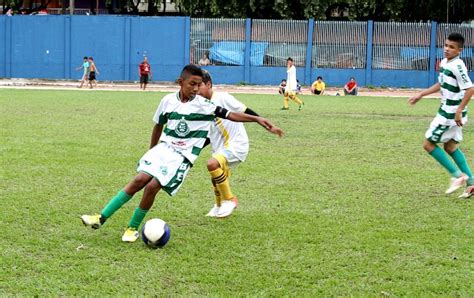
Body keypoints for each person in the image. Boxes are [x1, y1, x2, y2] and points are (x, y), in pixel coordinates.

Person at [81, 64, 284, 242]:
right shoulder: (167, 101)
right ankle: (100, 218)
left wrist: (257, 119)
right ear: (181, 82)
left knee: (151, 187)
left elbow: (231, 115)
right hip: (163, 149)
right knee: (139, 180)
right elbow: (158, 126)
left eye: (199, 85)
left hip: (182, 156)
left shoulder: (205, 105)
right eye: (192, 84)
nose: (196, 89)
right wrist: (152, 151)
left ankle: (132, 228)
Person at [408, 32, 474, 198]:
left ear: (459, 50)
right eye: (446, 45)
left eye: (451, 47)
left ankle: (457, 176)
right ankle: (471, 183)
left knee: (428, 145)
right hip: (451, 111)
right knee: (450, 147)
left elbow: (470, 88)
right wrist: (421, 94)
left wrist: (458, 111)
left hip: (450, 113)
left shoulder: (457, 66)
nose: (447, 49)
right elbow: (441, 83)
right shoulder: (445, 62)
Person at [198, 70, 263, 218]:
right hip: (220, 147)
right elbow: (208, 135)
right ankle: (218, 205)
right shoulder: (203, 106)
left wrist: (263, 122)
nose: (196, 89)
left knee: (212, 164)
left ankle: (230, 199)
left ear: (209, 84)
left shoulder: (222, 98)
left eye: (199, 85)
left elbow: (244, 110)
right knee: (216, 177)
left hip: (237, 145)